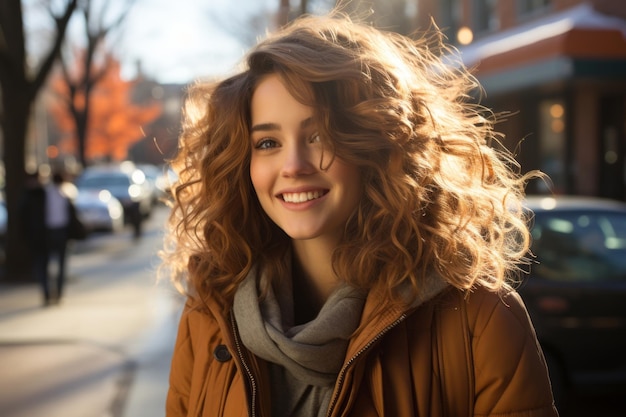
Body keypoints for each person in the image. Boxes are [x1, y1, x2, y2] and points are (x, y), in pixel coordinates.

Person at [160, 11, 559, 417]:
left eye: (319, 135)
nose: (293, 165)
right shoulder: (208, 316)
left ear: (375, 145)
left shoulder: (481, 319)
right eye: (267, 143)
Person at [20, 171, 73, 306]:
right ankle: (56, 293)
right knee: (57, 264)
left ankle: (48, 294)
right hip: (54, 233)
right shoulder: (61, 195)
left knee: (45, 265)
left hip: (48, 233)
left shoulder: (46, 194)